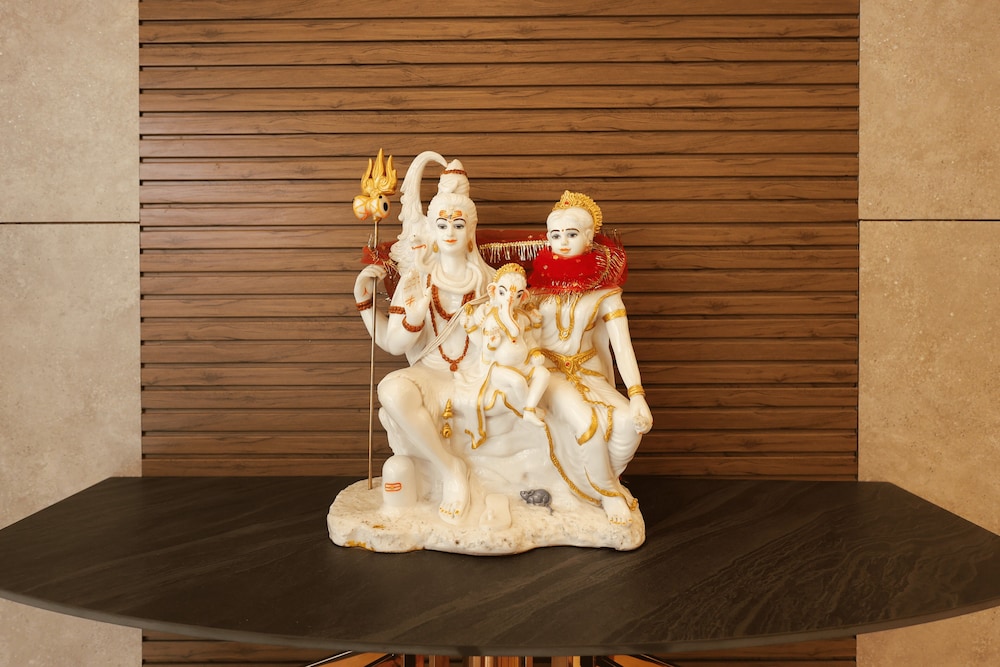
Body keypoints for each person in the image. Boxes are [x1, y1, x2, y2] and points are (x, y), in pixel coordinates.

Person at [353, 153, 494, 523]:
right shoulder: (416, 281)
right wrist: (369, 304)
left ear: (471, 231)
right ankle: (451, 469)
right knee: (391, 389)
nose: (450, 232)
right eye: (442, 224)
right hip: (431, 371)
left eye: (458, 224)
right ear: (432, 229)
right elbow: (393, 345)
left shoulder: (490, 280)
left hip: (479, 372)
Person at [530, 191, 653, 525]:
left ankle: (593, 485)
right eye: (555, 235)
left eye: (571, 234)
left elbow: (622, 347)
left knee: (629, 424)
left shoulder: (606, 294)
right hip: (549, 373)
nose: (562, 242)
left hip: (588, 373)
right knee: (587, 423)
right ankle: (607, 494)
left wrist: (637, 395)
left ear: (588, 238)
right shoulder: (536, 288)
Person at [461, 263, 549, 448]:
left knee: (544, 374)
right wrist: (492, 344)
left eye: (517, 295)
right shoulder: (491, 318)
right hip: (498, 368)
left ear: (523, 296)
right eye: (503, 293)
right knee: (518, 382)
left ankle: (529, 409)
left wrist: (535, 352)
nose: (510, 299)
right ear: (494, 291)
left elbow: (530, 340)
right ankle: (526, 408)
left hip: (523, 364)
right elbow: (485, 348)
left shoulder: (522, 317)